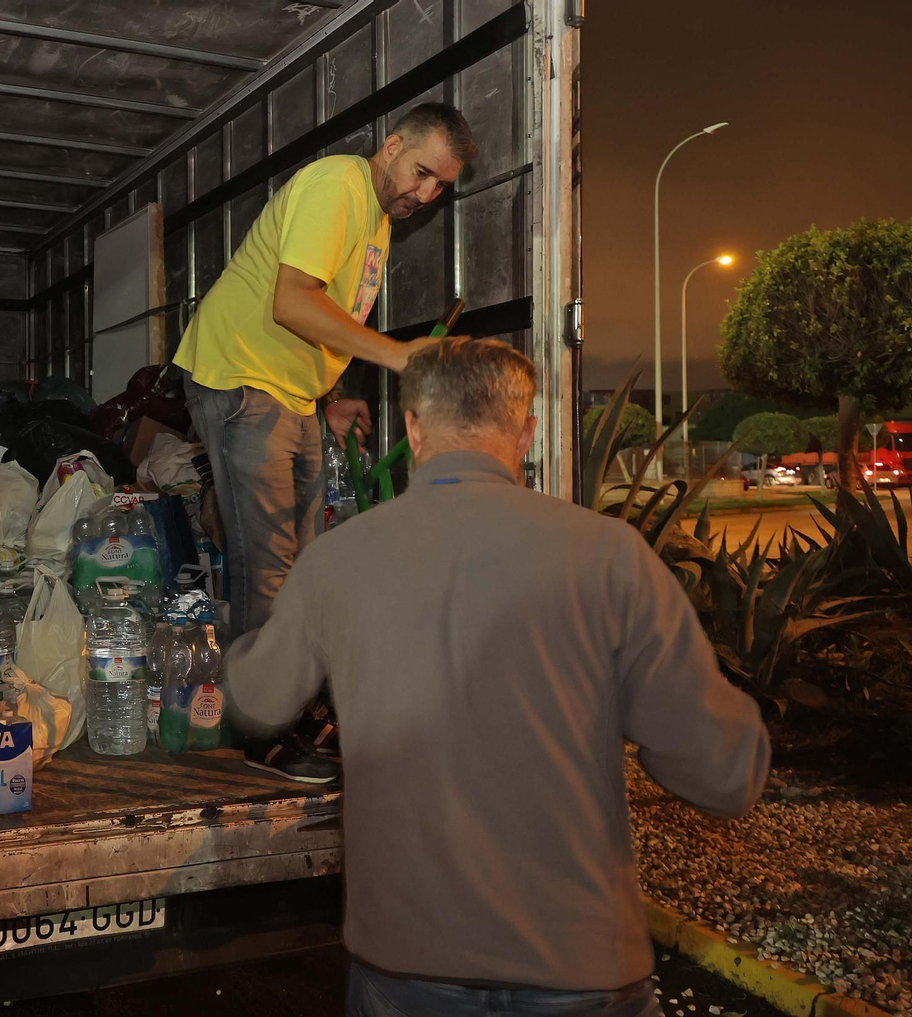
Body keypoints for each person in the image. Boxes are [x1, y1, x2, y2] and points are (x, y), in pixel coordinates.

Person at [225, 338, 771, 1017]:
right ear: (527, 431)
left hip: (408, 968)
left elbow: (256, 698)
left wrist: (232, 648)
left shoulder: (337, 562)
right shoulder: (608, 555)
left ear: (414, 428)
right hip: (580, 963)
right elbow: (720, 771)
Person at [173, 102, 476, 780]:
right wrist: (401, 357)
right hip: (242, 380)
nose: (425, 194)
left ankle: (290, 709)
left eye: (441, 187)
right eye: (422, 172)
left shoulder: (375, 220)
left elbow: (320, 318)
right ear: (393, 145)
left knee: (306, 570)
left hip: (289, 392)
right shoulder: (340, 184)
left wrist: (326, 395)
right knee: (270, 567)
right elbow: (293, 301)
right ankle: (259, 734)